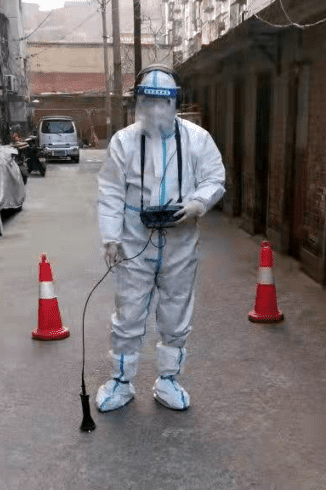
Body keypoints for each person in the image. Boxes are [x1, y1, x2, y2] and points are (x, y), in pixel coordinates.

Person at [96, 65, 225, 412]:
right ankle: (121, 381)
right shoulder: (124, 141)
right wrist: (111, 238)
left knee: (176, 312)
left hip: (180, 242)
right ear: (138, 103)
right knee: (128, 312)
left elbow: (215, 178)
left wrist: (198, 203)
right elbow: (110, 191)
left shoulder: (198, 139)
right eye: (147, 101)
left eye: (162, 102)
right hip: (133, 241)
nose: (155, 109)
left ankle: (168, 380)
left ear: (174, 102)